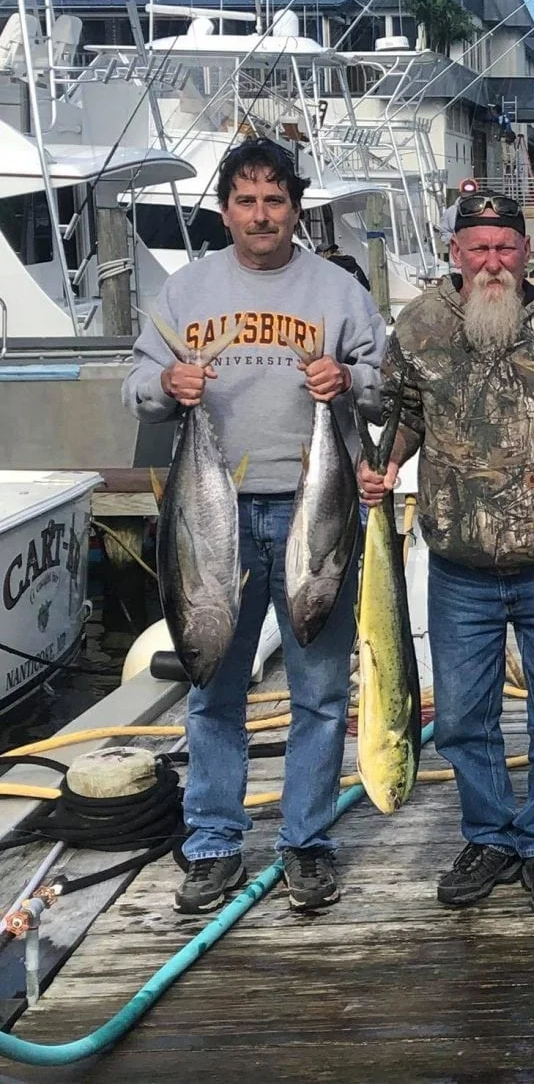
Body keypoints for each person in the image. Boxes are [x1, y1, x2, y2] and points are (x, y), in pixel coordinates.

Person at [358, 192, 534, 916]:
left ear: (525, 252)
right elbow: (402, 415)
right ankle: (489, 832)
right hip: (458, 563)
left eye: (506, 248)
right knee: (461, 713)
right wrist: (384, 466)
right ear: (456, 252)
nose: (493, 262)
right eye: (479, 248)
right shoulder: (420, 324)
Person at [123, 138, 385, 915]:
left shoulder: (337, 290)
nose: (261, 214)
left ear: (295, 208)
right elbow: (137, 383)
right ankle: (212, 842)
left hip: (316, 508)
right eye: (246, 200)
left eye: (275, 200)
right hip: (213, 516)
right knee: (212, 685)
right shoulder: (186, 290)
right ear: (225, 209)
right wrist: (169, 381)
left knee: (321, 690)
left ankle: (306, 839)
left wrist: (349, 380)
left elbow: (384, 386)